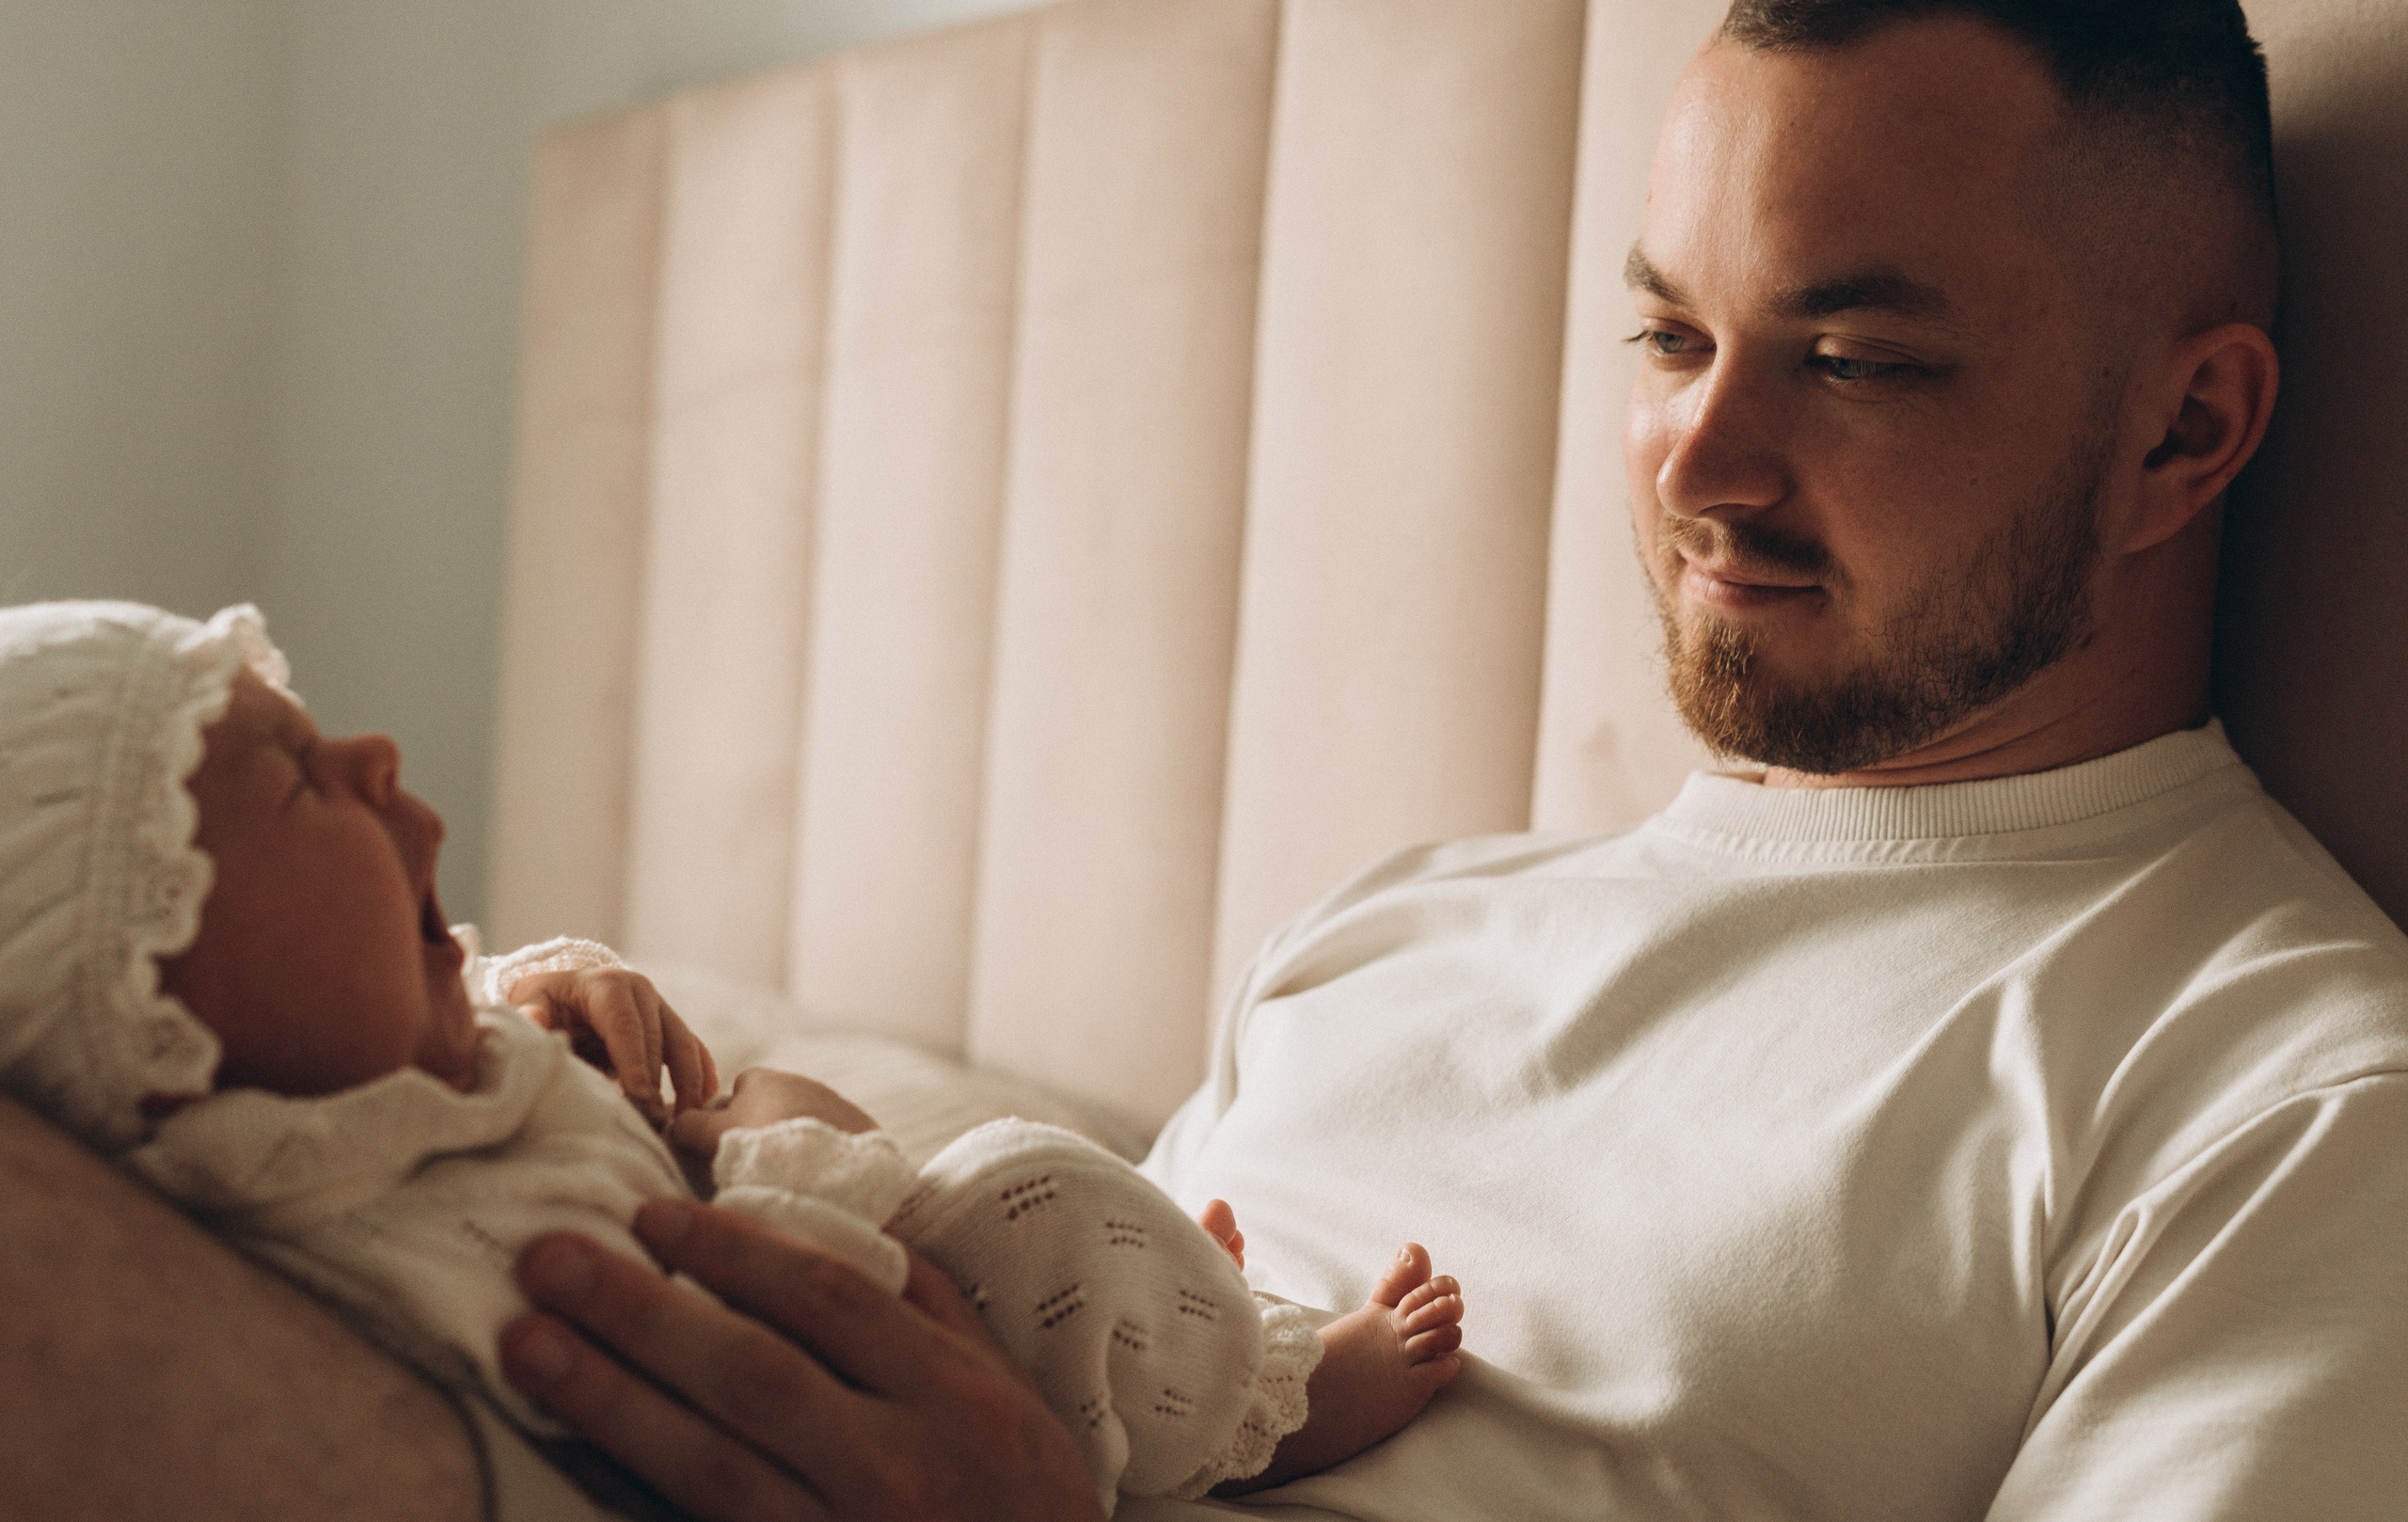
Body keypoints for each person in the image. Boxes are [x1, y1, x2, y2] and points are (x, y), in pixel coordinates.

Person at [485, 2, 2408, 1519]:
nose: (1697, 462)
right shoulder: (1386, 926)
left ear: (2184, 428)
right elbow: (1083, 1355)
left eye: (1852, 361)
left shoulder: (2276, 1088)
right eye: (1668, 334)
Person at [0, 600, 1465, 1516]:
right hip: (862, 1333)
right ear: (153, 1023)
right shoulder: (329, 1243)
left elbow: (399, 1049)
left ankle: (1181, 1302)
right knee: (1025, 1189)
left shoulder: (294, 1113)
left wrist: (517, 987)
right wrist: (772, 1136)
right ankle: (1277, 1389)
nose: (376, 755)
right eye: (290, 776)